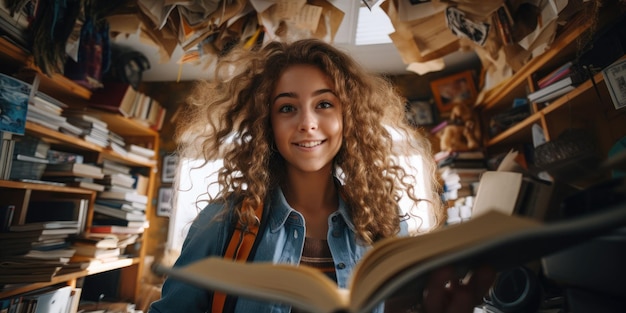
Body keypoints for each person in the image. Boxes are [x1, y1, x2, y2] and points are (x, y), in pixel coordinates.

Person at [149, 38, 494, 313]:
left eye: (324, 104)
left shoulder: (385, 226)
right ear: (267, 124)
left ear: (349, 118)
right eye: (287, 108)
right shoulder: (223, 222)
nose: (307, 122)